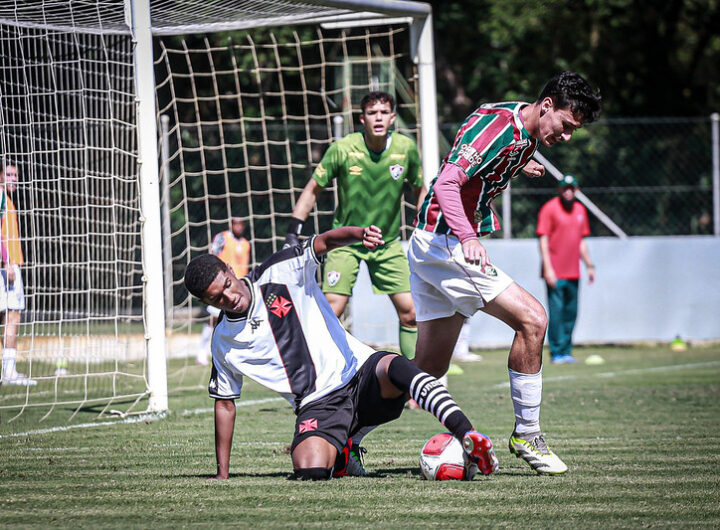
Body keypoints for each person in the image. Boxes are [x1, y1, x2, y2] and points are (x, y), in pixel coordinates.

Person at [183, 225, 499, 481]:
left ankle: (468, 435)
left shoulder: (278, 272)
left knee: (398, 367)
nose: (230, 297)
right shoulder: (223, 342)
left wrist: (357, 234)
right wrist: (222, 474)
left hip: (359, 370)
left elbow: (321, 243)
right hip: (317, 403)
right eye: (218, 299)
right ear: (206, 304)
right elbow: (225, 404)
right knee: (311, 470)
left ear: (229, 268)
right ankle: (344, 452)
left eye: (227, 284)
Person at [408, 71, 601, 475]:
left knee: (425, 373)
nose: (566, 137)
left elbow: (480, 142)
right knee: (533, 319)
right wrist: (467, 237)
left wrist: (521, 162)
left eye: (573, 132)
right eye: (565, 126)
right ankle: (527, 434)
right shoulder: (499, 128)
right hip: (447, 242)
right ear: (547, 105)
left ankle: (346, 433)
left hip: (429, 243)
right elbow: (446, 183)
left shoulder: (517, 122)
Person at [284, 91, 426, 362]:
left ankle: (414, 384)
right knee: (332, 309)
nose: (379, 118)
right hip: (345, 244)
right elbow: (313, 188)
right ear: (362, 119)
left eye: (384, 112)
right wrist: (293, 231)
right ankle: (311, 375)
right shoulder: (343, 148)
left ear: (393, 117)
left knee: (411, 313)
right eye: (372, 113)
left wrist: (428, 225)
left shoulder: (405, 149)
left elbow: (421, 190)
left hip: (387, 244)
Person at [537, 174, 595, 364]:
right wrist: (548, 269)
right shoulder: (550, 209)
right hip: (555, 272)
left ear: (576, 190)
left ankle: (566, 350)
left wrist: (589, 265)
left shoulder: (580, 210)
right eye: (565, 188)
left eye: (572, 188)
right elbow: (543, 241)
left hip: (573, 272)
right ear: (559, 190)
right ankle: (556, 352)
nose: (568, 192)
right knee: (557, 313)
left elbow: (581, 242)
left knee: (571, 312)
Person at [197, 217, 251, 365]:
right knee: (214, 319)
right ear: (231, 224)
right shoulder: (223, 237)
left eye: (240, 223)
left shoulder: (246, 244)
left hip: (239, 289)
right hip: (223, 288)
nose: (238, 226)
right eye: (235, 223)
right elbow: (213, 256)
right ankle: (202, 350)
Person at [0, 165, 34, 386]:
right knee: (12, 316)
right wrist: (7, 261)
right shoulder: (1, 197)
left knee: (9, 316)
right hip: (6, 266)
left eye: (16, 175)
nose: (14, 179)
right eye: (9, 175)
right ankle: (9, 372)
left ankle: (8, 370)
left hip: (9, 263)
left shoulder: (8, 200)